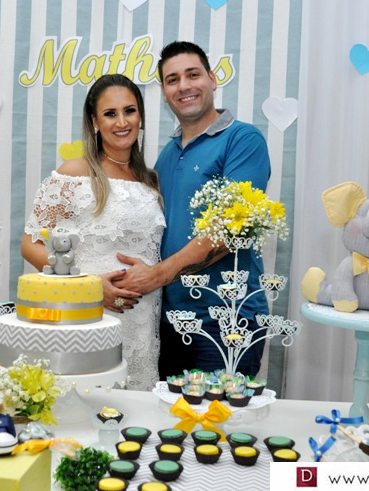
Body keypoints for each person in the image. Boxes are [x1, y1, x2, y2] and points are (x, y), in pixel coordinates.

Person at [115, 41, 272, 378]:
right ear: (164, 92)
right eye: (172, 80)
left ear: (212, 79)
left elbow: (228, 231)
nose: (183, 86)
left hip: (227, 321)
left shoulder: (243, 140)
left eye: (193, 75)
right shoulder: (168, 153)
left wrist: (157, 275)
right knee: (170, 413)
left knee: (221, 413)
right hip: (169, 322)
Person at [21, 74, 165, 391]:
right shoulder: (74, 172)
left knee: (133, 409)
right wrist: (89, 286)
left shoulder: (150, 180)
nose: (122, 122)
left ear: (141, 116)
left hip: (141, 325)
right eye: (110, 114)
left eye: (129, 111)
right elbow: (30, 245)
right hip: (88, 316)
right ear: (95, 122)